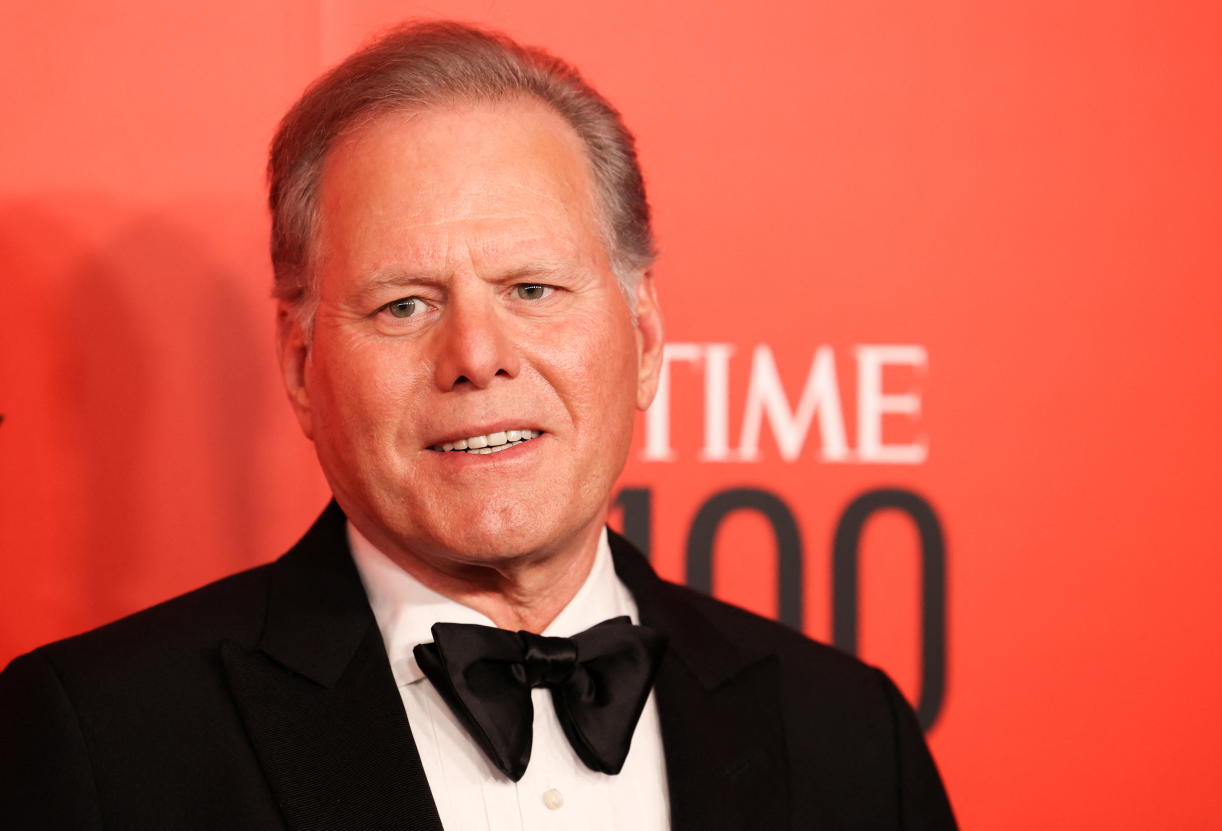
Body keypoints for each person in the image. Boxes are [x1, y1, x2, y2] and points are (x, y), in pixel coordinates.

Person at [0, 21, 957, 830]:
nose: (476, 355)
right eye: (405, 305)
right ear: (300, 366)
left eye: (532, 289)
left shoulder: (848, 732)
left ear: (646, 335)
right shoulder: (101, 741)